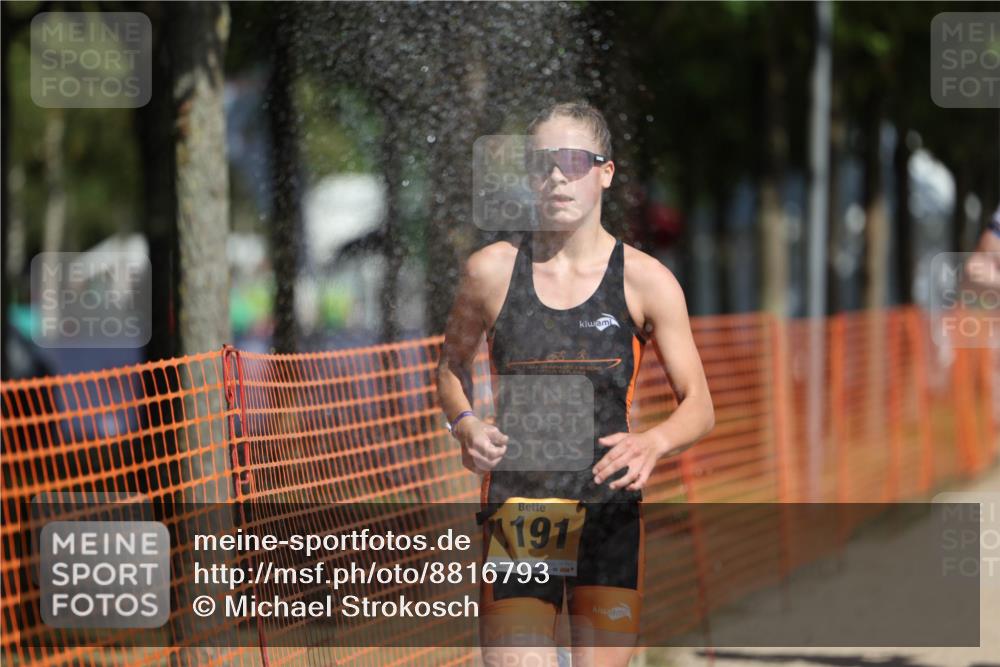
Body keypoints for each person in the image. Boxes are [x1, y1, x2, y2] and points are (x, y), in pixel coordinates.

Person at [437, 100, 715, 667]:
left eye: (573, 160)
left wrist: (654, 443)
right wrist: (465, 424)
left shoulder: (646, 280)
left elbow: (700, 405)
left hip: (607, 509)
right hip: (522, 510)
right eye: (542, 162)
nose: (557, 174)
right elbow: (450, 371)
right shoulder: (490, 272)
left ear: (605, 172)